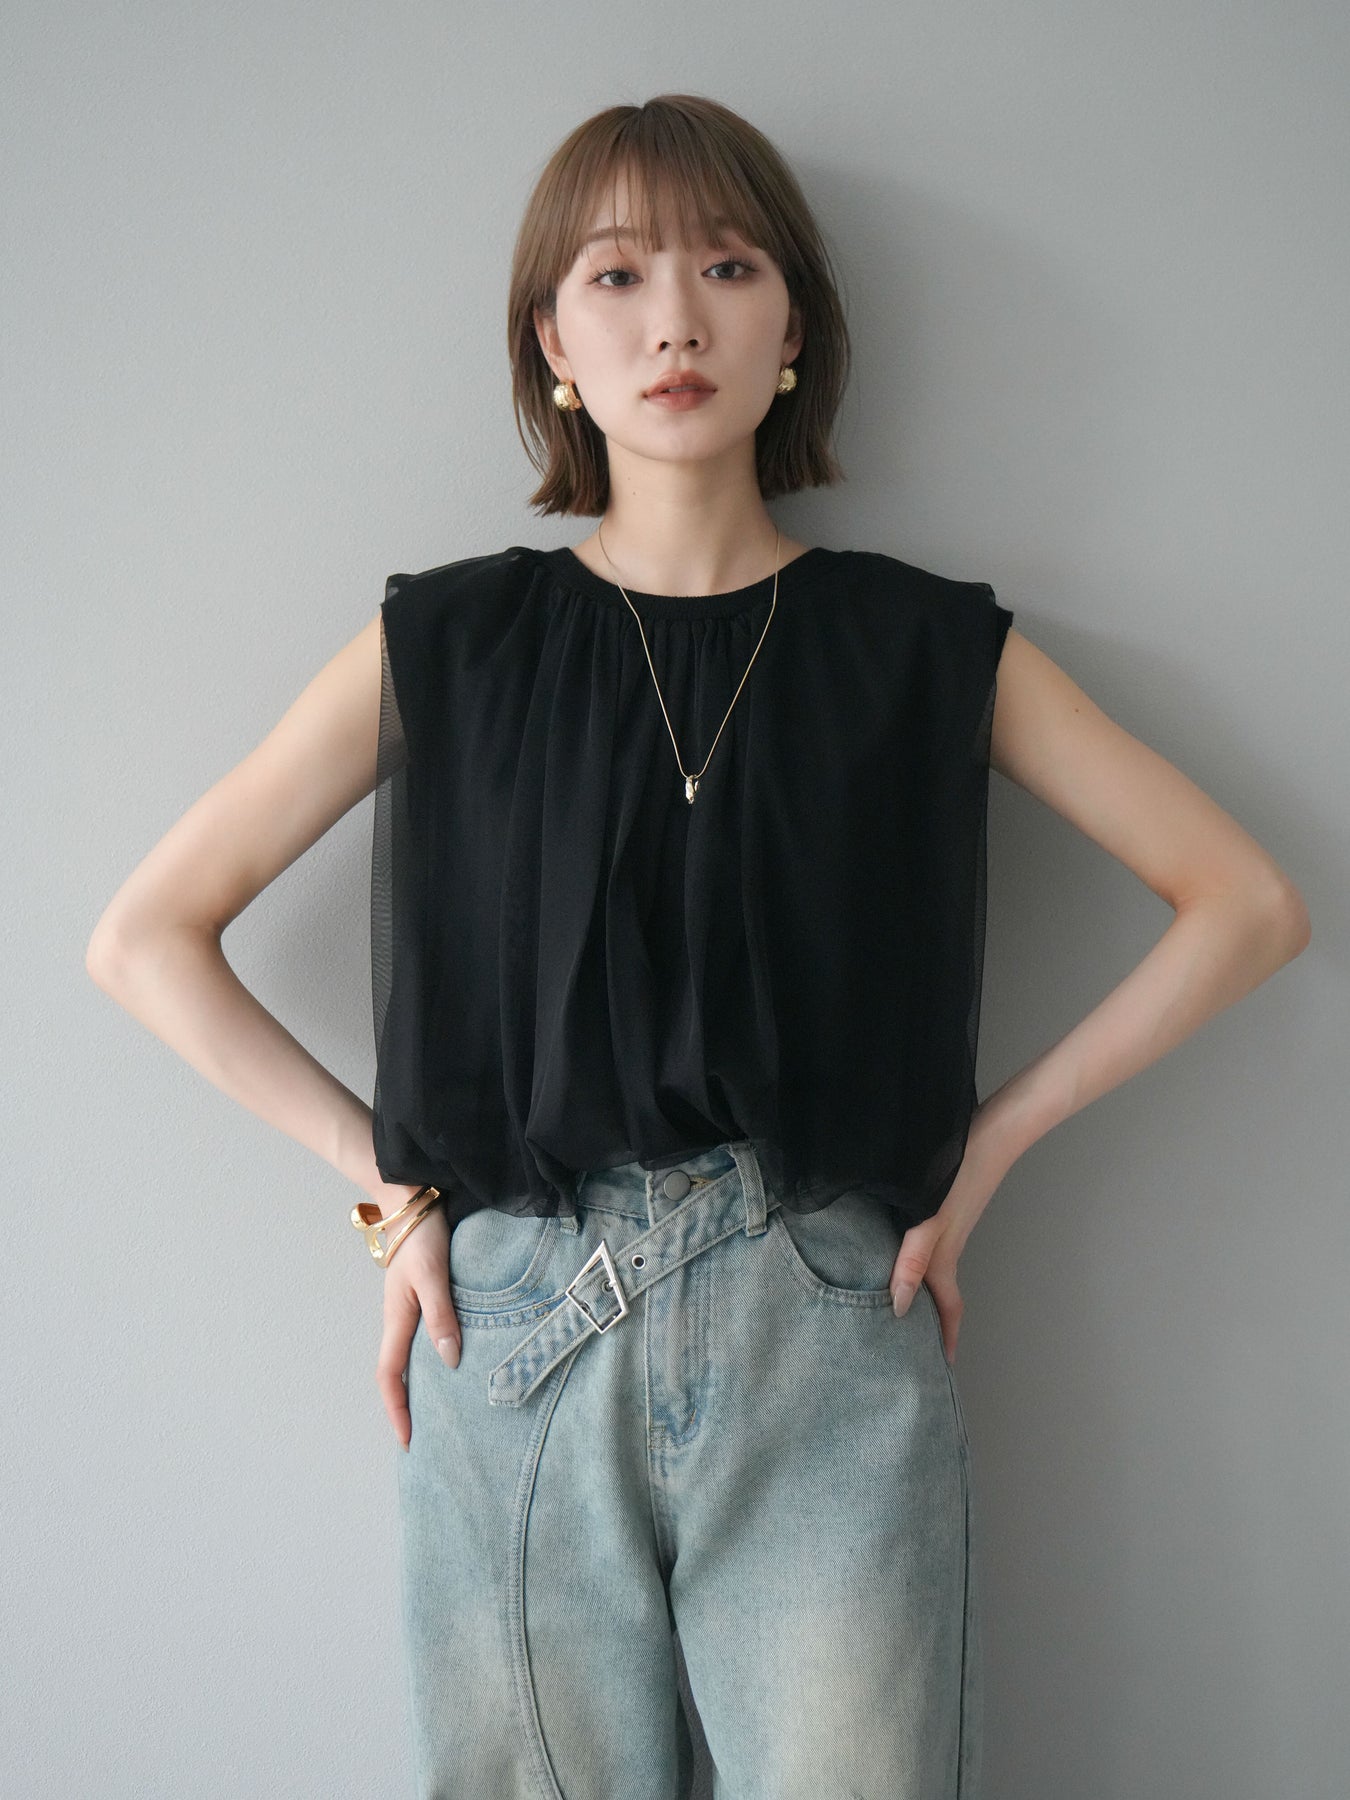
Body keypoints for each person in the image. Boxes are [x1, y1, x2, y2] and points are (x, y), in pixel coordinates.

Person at [86, 92, 1310, 1800]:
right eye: (616, 276)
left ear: (792, 328)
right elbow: (145, 938)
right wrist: (387, 1194)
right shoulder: (450, 643)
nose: (674, 322)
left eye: (727, 269)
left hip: (825, 1311)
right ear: (552, 344)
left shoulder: (917, 645)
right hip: (514, 1322)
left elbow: (1246, 903)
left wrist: (989, 1150)